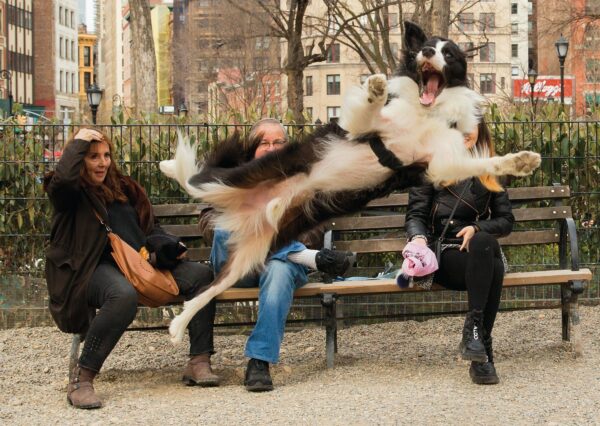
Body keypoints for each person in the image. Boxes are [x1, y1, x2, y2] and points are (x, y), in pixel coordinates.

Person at [44, 128, 218, 410]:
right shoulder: (70, 193)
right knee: (122, 295)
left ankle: (199, 361)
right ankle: (82, 379)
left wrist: (166, 248)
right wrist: (79, 141)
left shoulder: (124, 188)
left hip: (139, 264)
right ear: (78, 158)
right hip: (92, 269)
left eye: (106, 156)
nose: (102, 163)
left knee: (203, 277)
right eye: (93, 157)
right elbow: (62, 182)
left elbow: (150, 228)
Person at [207, 118, 354, 392]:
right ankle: (306, 257)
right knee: (226, 225)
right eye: (264, 143)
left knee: (278, 270)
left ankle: (259, 362)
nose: (272, 148)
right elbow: (209, 223)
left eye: (278, 142)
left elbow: (315, 225)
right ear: (252, 149)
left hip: (278, 265)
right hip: (236, 265)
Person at [404, 122, 514, 385]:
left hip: (478, 251)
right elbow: (415, 215)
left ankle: (474, 338)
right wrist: (418, 239)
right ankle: (483, 352)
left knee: (484, 242)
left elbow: (506, 221)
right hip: (443, 253)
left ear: (479, 129)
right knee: (496, 268)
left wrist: (477, 227)